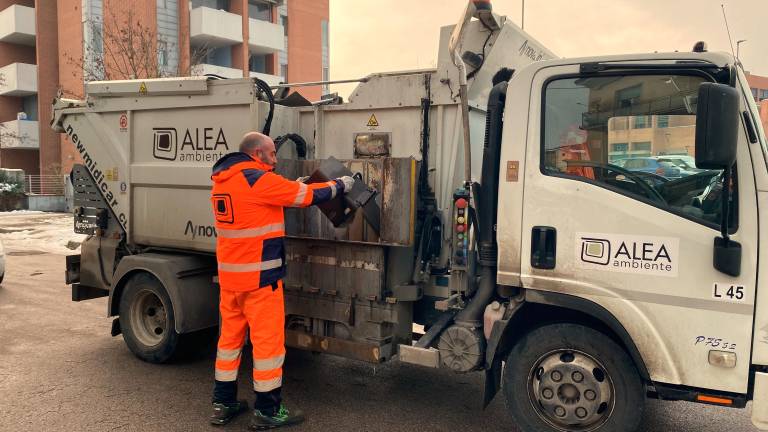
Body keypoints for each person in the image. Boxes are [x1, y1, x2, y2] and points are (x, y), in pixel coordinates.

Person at [209, 132, 354, 429]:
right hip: (261, 281)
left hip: (231, 281)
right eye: (273, 154)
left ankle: (223, 404)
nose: (276, 159)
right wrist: (341, 185)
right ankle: (268, 411)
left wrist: (291, 187)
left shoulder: (225, 180)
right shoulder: (258, 180)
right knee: (268, 347)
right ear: (258, 154)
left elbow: (263, 203)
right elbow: (310, 197)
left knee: (229, 343)